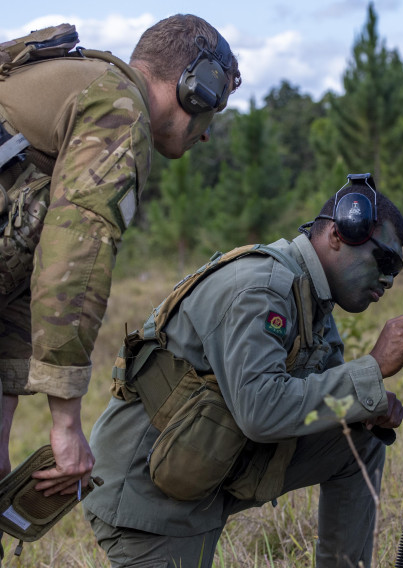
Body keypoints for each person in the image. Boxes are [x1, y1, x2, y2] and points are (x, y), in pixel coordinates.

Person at [83, 173, 403, 568]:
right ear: (338, 233)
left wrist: (366, 406)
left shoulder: (313, 302)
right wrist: (370, 370)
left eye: (395, 269)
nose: (386, 279)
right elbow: (261, 412)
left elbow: (320, 403)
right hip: (149, 493)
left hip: (211, 467)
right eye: (382, 260)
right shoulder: (263, 287)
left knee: (355, 440)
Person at [0, 14, 241, 496]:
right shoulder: (118, 108)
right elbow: (75, 262)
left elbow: (19, 279)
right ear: (199, 88)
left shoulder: (86, 87)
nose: (207, 133)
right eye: (216, 110)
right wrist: (66, 423)